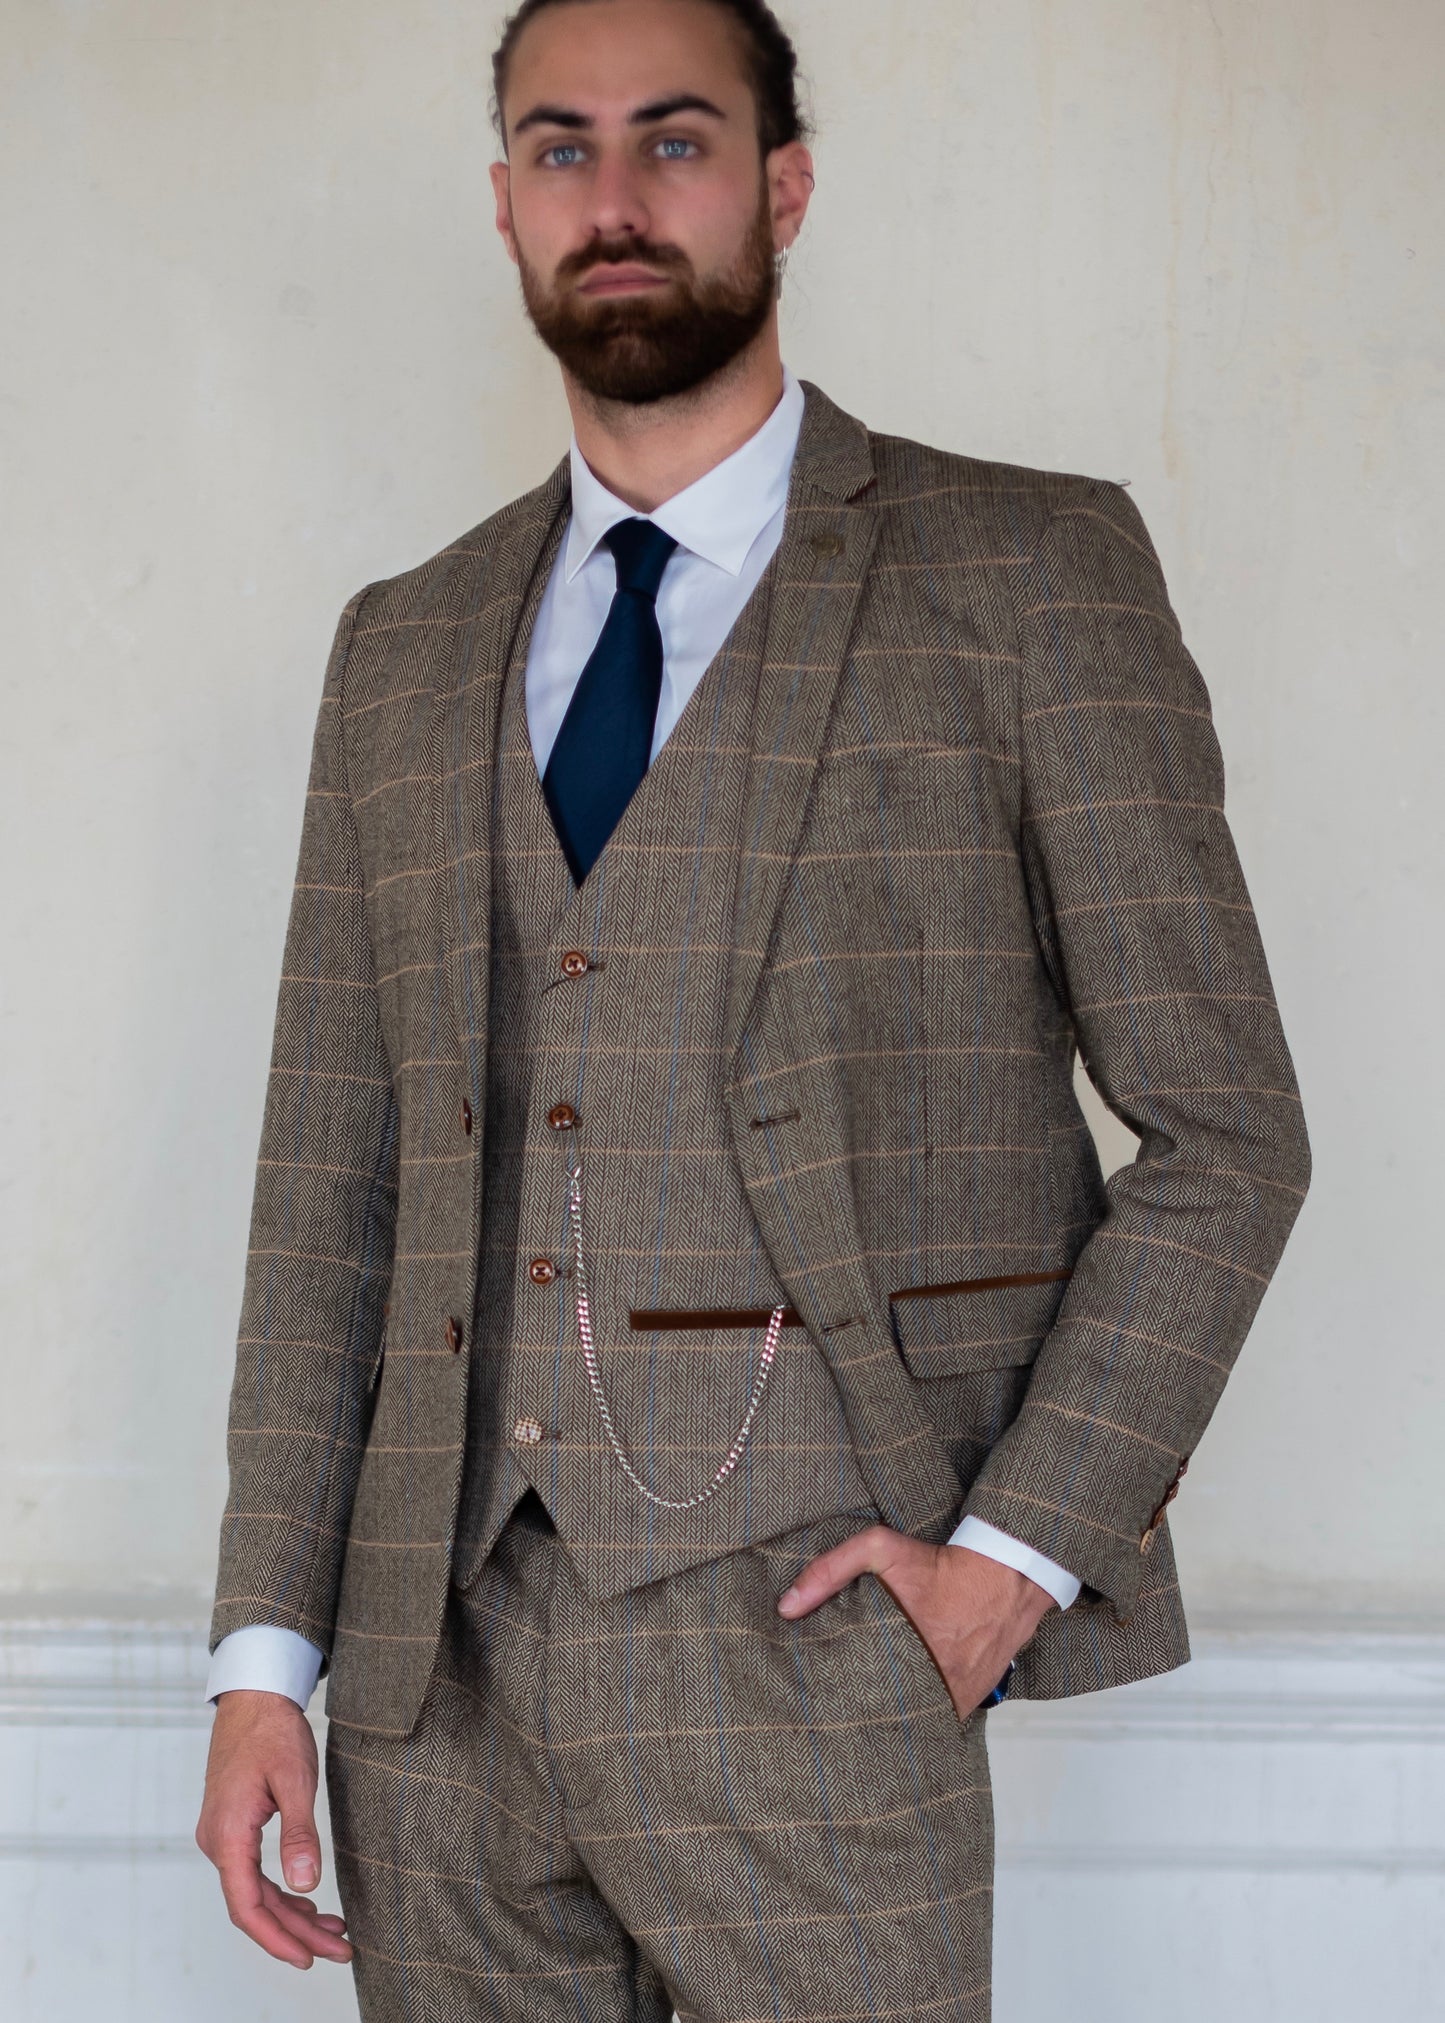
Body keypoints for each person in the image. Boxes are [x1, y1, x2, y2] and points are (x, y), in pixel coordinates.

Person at [194, 1, 1311, 2016]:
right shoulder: (405, 645)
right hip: (426, 1692)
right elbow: (323, 1187)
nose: (613, 199)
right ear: (508, 205)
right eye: (560, 149)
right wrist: (265, 1653)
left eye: (674, 141)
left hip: (818, 1648)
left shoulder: (1027, 575)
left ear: (783, 184)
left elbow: (1229, 1133)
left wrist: (1005, 1570)